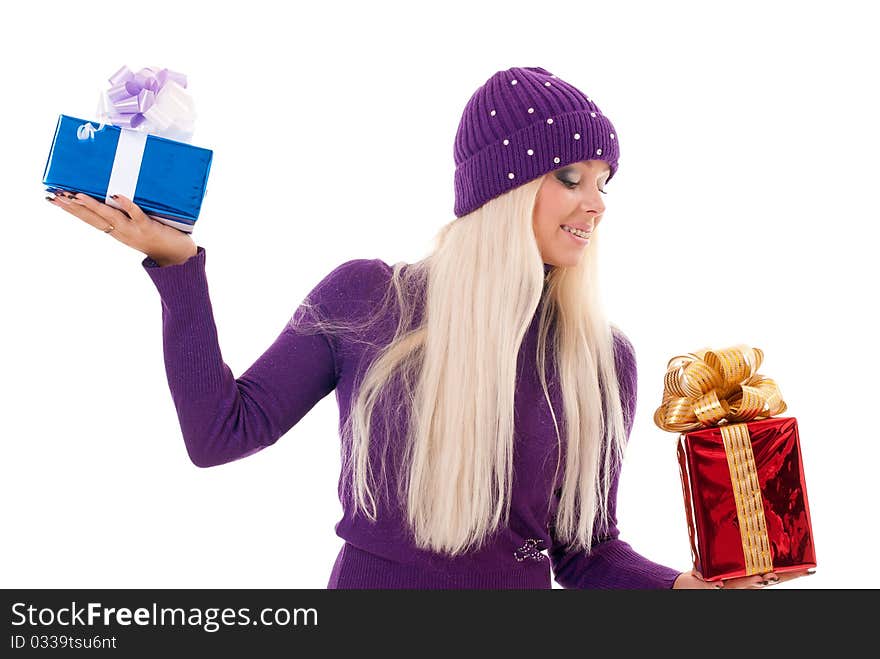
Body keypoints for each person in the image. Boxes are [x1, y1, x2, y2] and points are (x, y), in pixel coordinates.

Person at [46, 65, 812, 590]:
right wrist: (179, 269)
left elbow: (586, 552)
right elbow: (221, 433)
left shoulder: (599, 358)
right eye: (571, 177)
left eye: (605, 182)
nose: (597, 203)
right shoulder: (367, 299)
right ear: (502, 190)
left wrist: (682, 587)